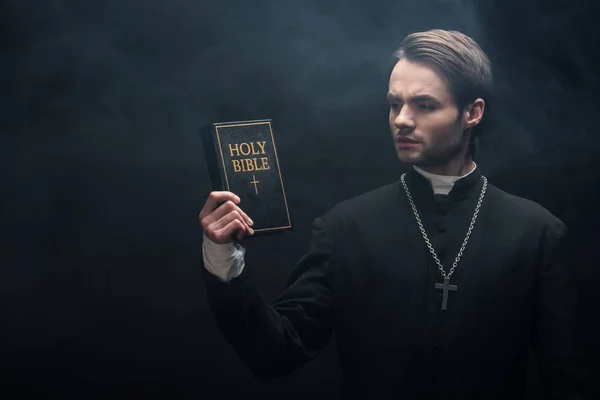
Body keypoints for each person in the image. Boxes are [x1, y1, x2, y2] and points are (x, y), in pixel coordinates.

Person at [198, 30, 592, 399]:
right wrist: (224, 259)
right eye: (394, 104)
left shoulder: (538, 233)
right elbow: (275, 353)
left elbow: (569, 381)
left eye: (424, 105)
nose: (402, 119)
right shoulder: (345, 228)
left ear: (472, 112)